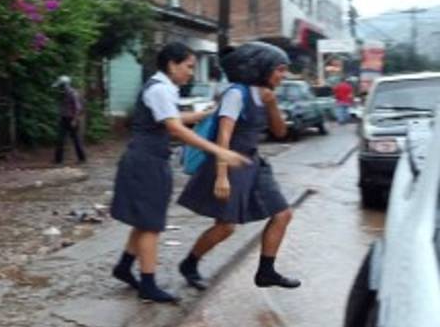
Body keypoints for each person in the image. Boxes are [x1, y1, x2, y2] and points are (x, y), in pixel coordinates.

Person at [110, 42, 250, 303]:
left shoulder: (161, 87)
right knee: (151, 225)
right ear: (172, 65)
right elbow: (174, 128)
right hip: (146, 162)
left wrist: (203, 114)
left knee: (144, 220)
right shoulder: (161, 89)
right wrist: (219, 151)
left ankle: (124, 266)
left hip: (148, 160)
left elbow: (171, 118)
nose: (190, 73)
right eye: (188, 67)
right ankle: (148, 285)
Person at [176, 42, 301, 292]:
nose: (282, 75)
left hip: (254, 163)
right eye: (279, 70)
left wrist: (272, 104)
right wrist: (221, 177)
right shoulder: (236, 94)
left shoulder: (266, 96)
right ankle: (189, 264)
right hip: (229, 164)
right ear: (264, 69)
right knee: (225, 227)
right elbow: (224, 136)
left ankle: (266, 271)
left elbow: (280, 132)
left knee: (283, 214)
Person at [53, 75, 87, 165]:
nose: (59, 88)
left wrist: (75, 120)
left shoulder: (73, 93)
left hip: (72, 119)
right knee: (60, 139)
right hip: (63, 119)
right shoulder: (61, 94)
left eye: (61, 85)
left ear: (65, 85)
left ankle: (82, 159)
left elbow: (78, 108)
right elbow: (62, 107)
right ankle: (58, 161)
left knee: (76, 140)